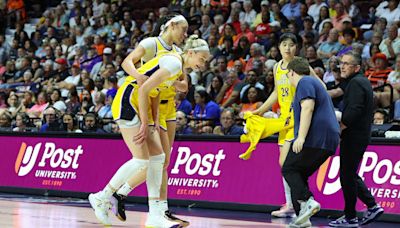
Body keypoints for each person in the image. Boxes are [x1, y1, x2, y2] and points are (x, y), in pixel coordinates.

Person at [88, 34, 210, 227]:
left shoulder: (177, 65)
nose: (202, 64)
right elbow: (144, 89)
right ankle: (102, 196)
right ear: (191, 53)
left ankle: (154, 214)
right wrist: (146, 124)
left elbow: (154, 93)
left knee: (158, 158)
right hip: (128, 101)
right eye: (201, 59)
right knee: (142, 159)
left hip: (139, 103)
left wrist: (151, 121)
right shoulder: (174, 64)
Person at [108, 14, 191, 226]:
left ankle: (162, 209)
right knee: (156, 160)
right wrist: (140, 76)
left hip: (168, 106)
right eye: (184, 29)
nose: (186, 34)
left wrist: (167, 82)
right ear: (172, 25)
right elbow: (127, 62)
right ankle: (125, 196)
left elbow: (184, 86)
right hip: (150, 103)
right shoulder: (151, 43)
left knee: (164, 162)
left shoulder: (178, 53)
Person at [246, 33, 325, 218]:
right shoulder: (276, 67)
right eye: (284, 44)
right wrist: (260, 110)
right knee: (285, 165)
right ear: (279, 47)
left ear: (296, 48)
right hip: (284, 120)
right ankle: (294, 203)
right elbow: (276, 92)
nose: (287, 48)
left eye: (291, 45)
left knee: (286, 164)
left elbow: (320, 85)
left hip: (298, 118)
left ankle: (304, 201)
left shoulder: (300, 65)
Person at [282, 57, 340, 227]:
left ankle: (308, 201)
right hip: (329, 139)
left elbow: (308, 107)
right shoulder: (314, 82)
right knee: (298, 174)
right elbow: (320, 86)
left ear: (291, 72)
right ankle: (302, 219)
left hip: (316, 136)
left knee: (289, 168)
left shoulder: (304, 82)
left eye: (289, 75)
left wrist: (300, 137)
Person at [329, 52, 384, 227]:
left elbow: (355, 110)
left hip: (354, 135)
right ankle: (372, 206)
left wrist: (341, 127)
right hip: (357, 134)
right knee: (349, 174)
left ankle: (351, 217)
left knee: (347, 176)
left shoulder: (357, 83)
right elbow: (339, 91)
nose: (342, 66)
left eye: (346, 64)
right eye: (341, 63)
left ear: (357, 68)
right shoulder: (357, 81)